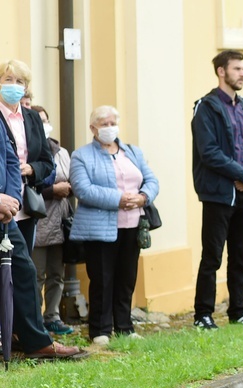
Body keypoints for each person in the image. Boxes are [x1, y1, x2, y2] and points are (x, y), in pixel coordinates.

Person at [70, 105, 159, 346]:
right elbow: (82, 189)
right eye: (103, 124)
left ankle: (124, 326)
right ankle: (100, 330)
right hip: (99, 229)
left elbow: (151, 179)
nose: (109, 128)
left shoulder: (132, 152)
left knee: (126, 278)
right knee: (102, 279)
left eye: (112, 123)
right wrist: (118, 199)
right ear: (93, 128)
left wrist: (143, 197)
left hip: (132, 225)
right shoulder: (82, 155)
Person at [0, 100, 81, 359]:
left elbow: (11, 162)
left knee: (24, 271)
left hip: (5, 214)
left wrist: (11, 201)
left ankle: (37, 342)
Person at [192, 50, 243, 330]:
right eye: (237, 69)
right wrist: (242, 174)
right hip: (218, 194)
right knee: (212, 257)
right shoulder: (206, 107)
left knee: (240, 257)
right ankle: (203, 314)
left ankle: (238, 309)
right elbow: (208, 151)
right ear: (222, 72)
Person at [0, 60, 54, 252]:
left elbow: (47, 162)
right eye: (8, 79)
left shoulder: (32, 118)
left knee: (23, 265)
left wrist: (32, 169)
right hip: (2, 200)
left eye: (20, 81)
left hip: (27, 204)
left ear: (26, 87)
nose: (14, 85)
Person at [30, 105, 75, 335]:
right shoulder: (28, 150)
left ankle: (52, 316)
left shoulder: (62, 152)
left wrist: (68, 189)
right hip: (38, 220)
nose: (43, 124)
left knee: (57, 273)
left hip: (60, 220)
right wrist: (52, 190)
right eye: (38, 120)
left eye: (45, 119)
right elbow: (27, 187)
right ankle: (35, 319)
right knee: (36, 274)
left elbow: (72, 178)